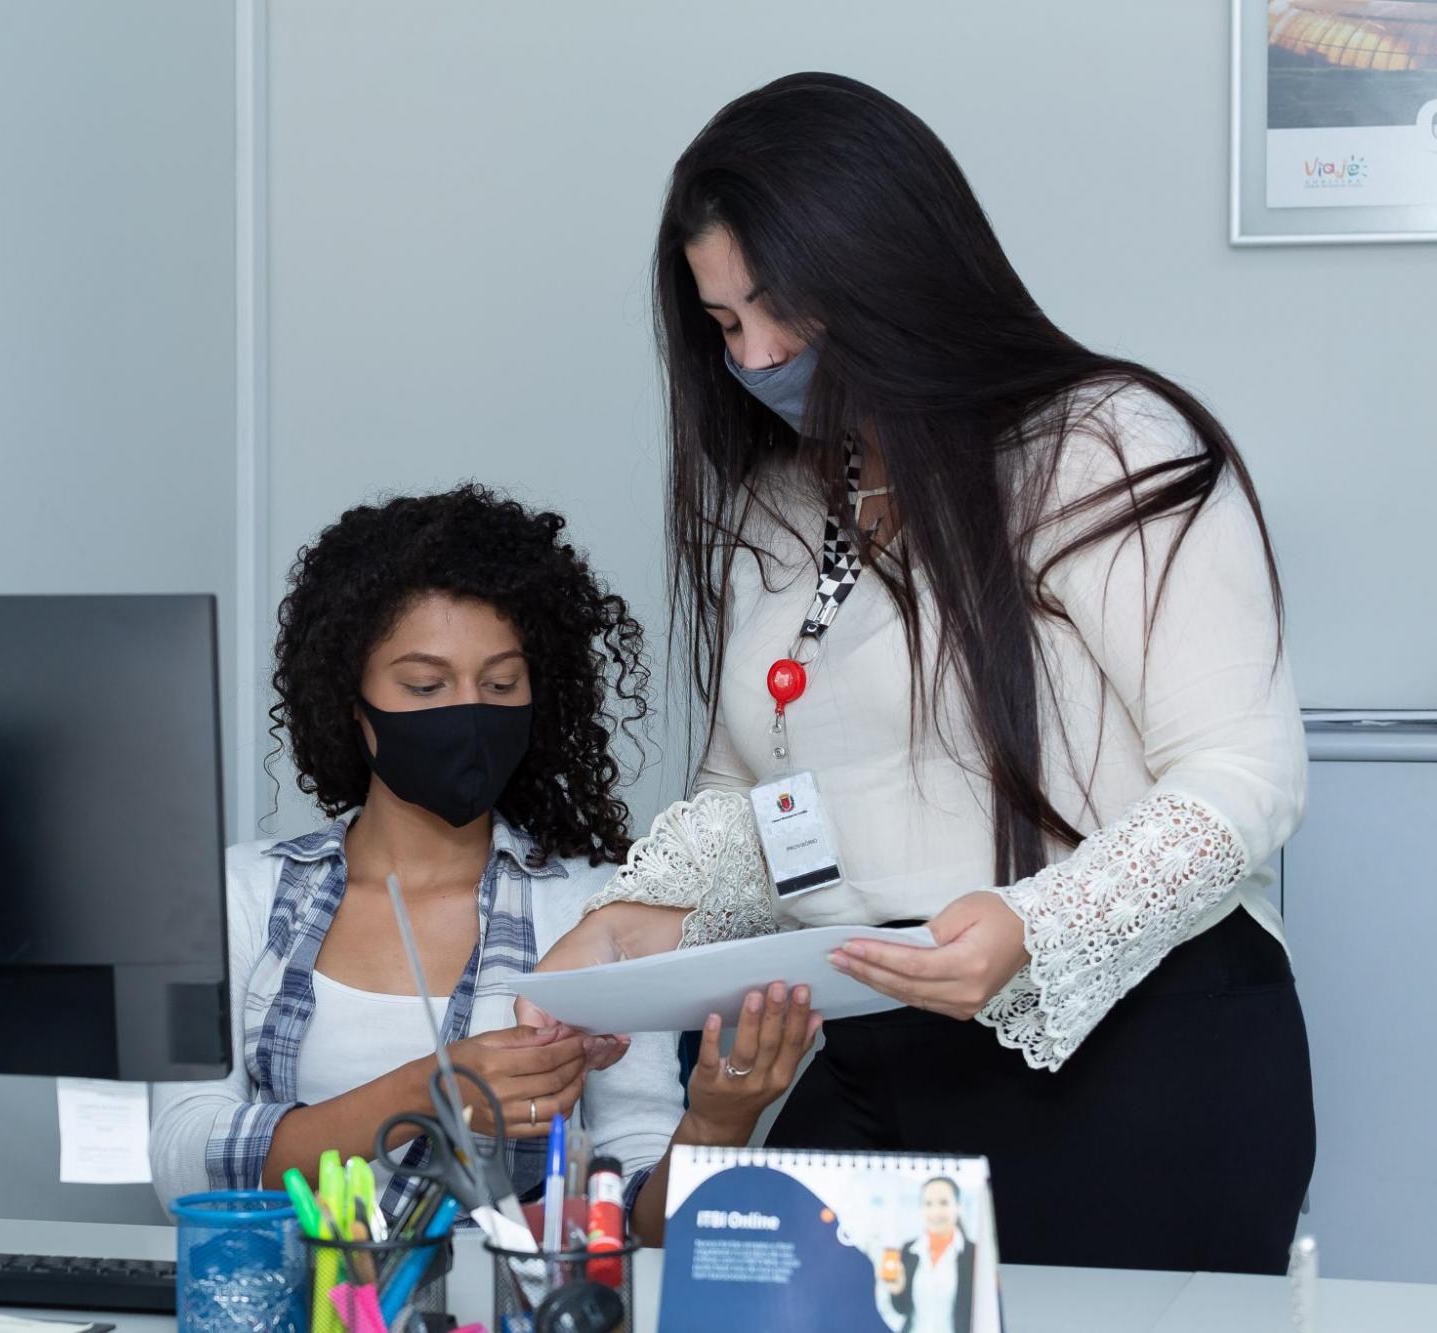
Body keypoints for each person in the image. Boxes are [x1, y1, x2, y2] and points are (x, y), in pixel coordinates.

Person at [527, 73, 1312, 1272]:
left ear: (891, 265)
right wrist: (633, 930)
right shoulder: (780, 506)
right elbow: (765, 795)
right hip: (873, 1038)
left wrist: (1030, 925)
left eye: (778, 307)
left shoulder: (1105, 445)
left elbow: (1241, 773)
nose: (758, 354)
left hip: (1134, 1042)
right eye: (724, 325)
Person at [148, 486, 818, 1243]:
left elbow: (641, 1220)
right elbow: (181, 1160)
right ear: (351, 705)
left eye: (500, 684)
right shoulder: (232, 894)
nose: (469, 712)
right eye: (425, 686)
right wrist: (428, 1093)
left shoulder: (596, 913)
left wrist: (718, 1119)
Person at [880, 1177, 976, 1333]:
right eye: (928, 1204)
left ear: (958, 1206)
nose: (935, 1212)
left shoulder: (973, 1254)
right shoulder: (909, 1250)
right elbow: (902, 1309)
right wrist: (897, 1290)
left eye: (944, 1203)